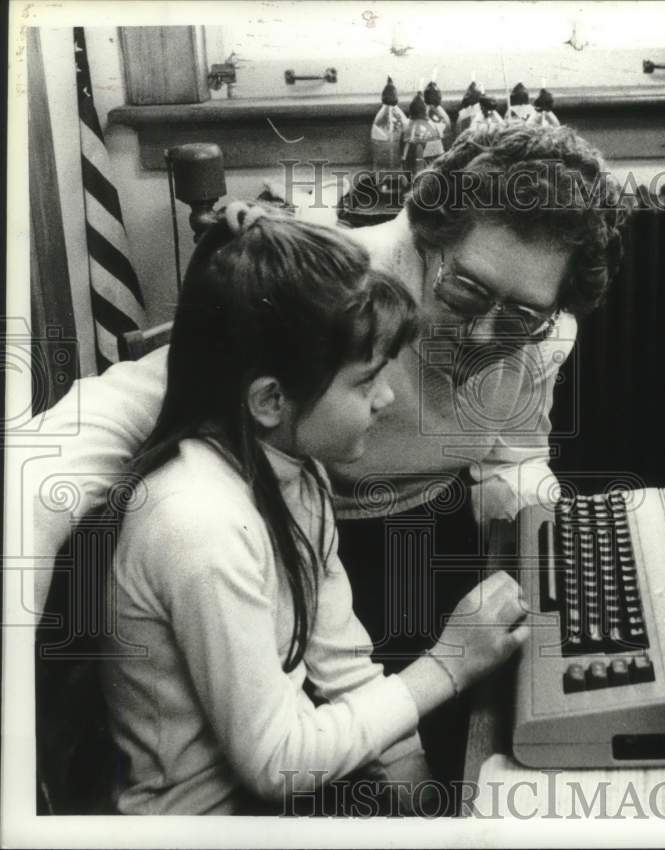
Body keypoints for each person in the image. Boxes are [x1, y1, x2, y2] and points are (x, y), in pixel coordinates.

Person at [29, 122, 627, 787]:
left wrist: (562, 562)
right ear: (428, 242)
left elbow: (514, 462)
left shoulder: (539, 334)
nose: (488, 332)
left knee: (510, 723)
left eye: (520, 314)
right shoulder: (340, 291)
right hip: (294, 555)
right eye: (467, 292)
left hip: (407, 539)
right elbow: (105, 421)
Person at [93, 204, 527, 815]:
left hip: (288, 801)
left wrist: (425, 801)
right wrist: (449, 664)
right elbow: (276, 763)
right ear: (270, 399)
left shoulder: (297, 475)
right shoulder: (198, 524)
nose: (388, 397)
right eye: (365, 379)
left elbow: (345, 664)